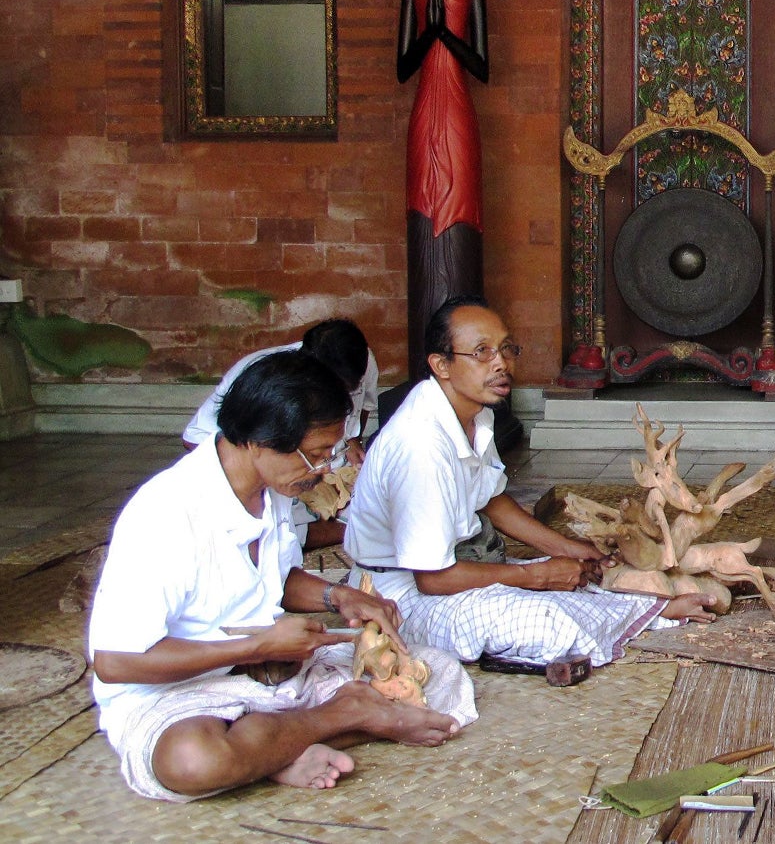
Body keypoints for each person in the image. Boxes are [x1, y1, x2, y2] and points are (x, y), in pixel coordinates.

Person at [88, 351, 474, 803]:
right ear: (258, 441)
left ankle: (278, 748)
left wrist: (340, 597)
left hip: (265, 678)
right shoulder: (165, 513)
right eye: (314, 456)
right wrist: (258, 646)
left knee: (440, 674)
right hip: (176, 695)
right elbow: (114, 663)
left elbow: (271, 578)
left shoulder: (271, 491)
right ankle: (338, 718)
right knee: (193, 760)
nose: (326, 469)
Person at [340, 296, 717, 669]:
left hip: (450, 571)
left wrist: (568, 549)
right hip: (394, 599)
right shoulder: (420, 444)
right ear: (441, 364)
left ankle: (652, 612)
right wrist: (532, 575)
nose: (501, 363)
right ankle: (648, 618)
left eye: (506, 349)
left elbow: (491, 499)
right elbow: (433, 580)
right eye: (482, 352)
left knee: (579, 577)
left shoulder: (473, 415)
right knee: (548, 621)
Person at [399, 0, 489, 383]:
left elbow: (482, 66)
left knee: (457, 204)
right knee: (422, 205)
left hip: (457, 107)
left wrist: (442, 34)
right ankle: (423, 377)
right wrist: (427, 31)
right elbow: (401, 67)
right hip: (423, 108)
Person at [182, 319, 379, 550]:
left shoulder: (361, 361)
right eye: (316, 453)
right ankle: (343, 531)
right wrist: (263, 474)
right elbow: (194, 436)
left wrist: (350, 442)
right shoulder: (264, 382)